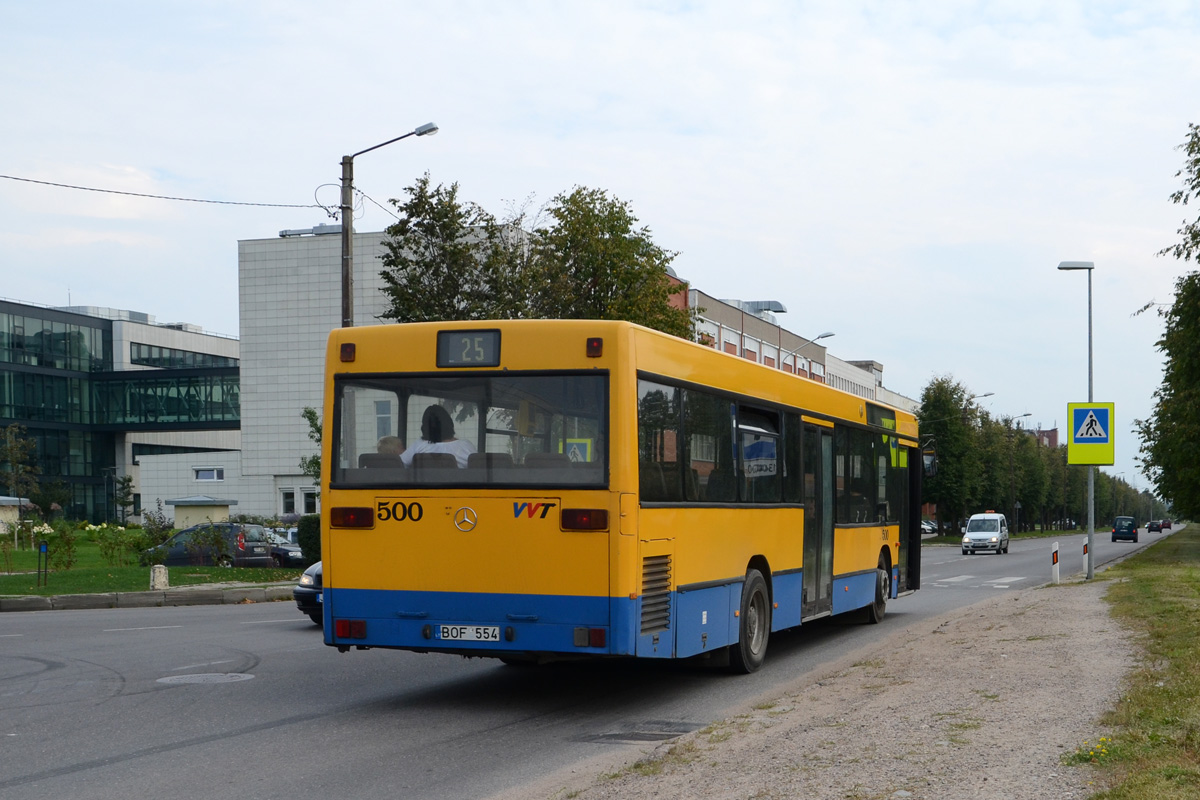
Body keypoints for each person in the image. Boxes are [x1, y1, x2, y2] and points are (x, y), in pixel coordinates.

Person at [401, 405, 476, 468]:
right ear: (449, 424)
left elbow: (398, 463)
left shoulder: (419, 445)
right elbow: (477, 468)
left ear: (425, 427)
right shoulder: (466, 446)